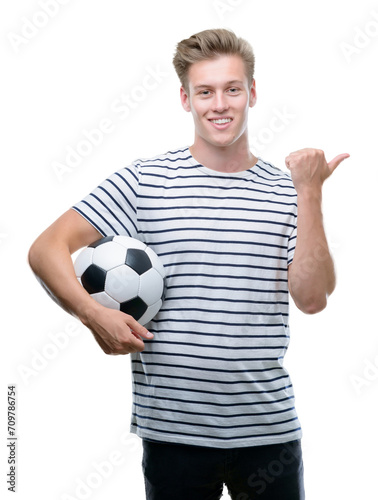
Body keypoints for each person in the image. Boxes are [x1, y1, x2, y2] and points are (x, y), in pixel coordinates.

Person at [28, 28, 349, 500]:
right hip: (172, 437)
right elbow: (46, 248)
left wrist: (310, 190)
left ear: (252, 93)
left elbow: (313, 298)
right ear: (185, 99)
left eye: (232, 89)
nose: (219, 104)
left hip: (268, 434)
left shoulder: (289, 192)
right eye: (205, 91)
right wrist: (93, 314)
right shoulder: (145, 181)